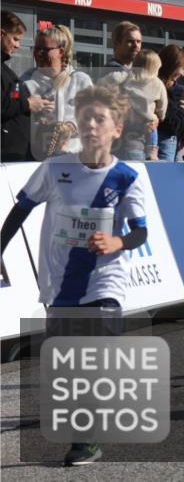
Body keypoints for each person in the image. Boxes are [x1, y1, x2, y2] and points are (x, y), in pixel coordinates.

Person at [0, 85, 148, 467]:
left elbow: (140, 232)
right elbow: (20, 212)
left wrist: (117, 242)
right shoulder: (55, 168)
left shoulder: (127, 177)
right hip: (59, 282)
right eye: (85, 118)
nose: (91, 126)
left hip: (105, 281)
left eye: (100, 119)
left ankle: (86, 441)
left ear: (117, 129)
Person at [20, 25, 93, 159]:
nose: (39, 53)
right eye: (36, 48)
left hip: (74, 157)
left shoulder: (80, 80)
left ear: (60, 51)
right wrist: (31, 110)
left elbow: (92, 115)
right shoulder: (25, 81)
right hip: (36, 158)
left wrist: (71, 126)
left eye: (45, 49)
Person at [2, 11, 54, 161]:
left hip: (14, 155)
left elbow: (11, 100)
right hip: (6, 158)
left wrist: (35, 104)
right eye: (15, 39)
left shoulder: (5, 70)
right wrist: (28, 103)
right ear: (1, 34)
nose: (18, 45)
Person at [102, 49, 167, 161]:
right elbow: (162, 106)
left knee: (134, 159)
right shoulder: (158, 83)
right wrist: (160, 115)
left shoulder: (125, 77)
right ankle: (152, 153)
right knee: (152, 137)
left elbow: (106, 81)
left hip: (130, 128)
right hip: (150, 125)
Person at [156, 45, 184, 162]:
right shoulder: (156, 87)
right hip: (162, 145)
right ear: (172, 65)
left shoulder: (178, 89)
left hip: (174, 145)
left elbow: (180, 124)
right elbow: (172, 125)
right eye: (182, 68)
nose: (183, 74)